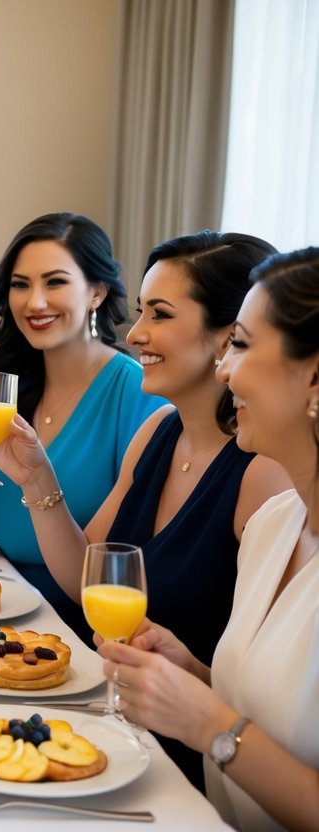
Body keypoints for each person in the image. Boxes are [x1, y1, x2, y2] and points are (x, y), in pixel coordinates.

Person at [0, 232, 290, 789]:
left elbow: (271, 701)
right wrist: (36, 477)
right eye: (142, 309)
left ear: (229, 336)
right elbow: (86, 579)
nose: (136, 333)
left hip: (191, 762)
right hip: (112, 720)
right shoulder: (158, 431)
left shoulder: (263, 474)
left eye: (161, 314)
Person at [100, 247, 319, 831]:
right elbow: (257, 712)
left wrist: (209, 724)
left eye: (241, 345)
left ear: (314, 378)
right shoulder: (276, 525)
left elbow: (229, 728)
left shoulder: (258, 497)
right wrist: (190, 674)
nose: (224, 371)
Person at [0, 212, 166, 639]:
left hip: (82, 628)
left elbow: (122, 562)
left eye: (55, 282)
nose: (34, 302)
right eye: (21, 285)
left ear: (96, 292)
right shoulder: (8, 382)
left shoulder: (133, 391)